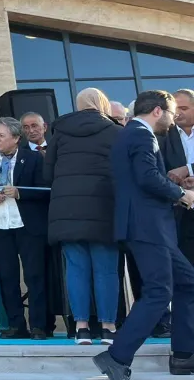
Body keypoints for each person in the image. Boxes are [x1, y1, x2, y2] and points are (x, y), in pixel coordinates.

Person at [93, 90, 194, 380]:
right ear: (159, 111)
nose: (173, 121)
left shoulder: (132, 133)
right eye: (173, 114)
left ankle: (185, 355)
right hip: (147, 226)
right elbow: (147, 177)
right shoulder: (141, 134)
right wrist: (181, 194)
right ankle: (116, 356)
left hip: (147, 225)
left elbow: (142, 178)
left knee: (188, 282)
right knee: (159, 291)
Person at [45, 88, 122, 345]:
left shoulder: (60, 132)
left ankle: (81, 328)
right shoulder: (114, 131)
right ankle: (108, 327)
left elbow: (48, 174)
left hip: (66, 211)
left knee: (76, 269)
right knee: (106, 271)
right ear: (102, 103)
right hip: (104, 209)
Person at [0, 118, 48, 339]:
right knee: (7, 277)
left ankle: (39, 325)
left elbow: (46, 190)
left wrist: (21, 193)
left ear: (16, 138)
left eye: (0, 135)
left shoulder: (34, 158)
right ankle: (16, 324)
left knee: (34, 276)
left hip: (27, 225)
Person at [163, 90, 194, 263]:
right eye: (176, 108)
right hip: (180, 210)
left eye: (184, 108)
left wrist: (189, 169)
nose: (178, 113)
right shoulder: (164, 135)